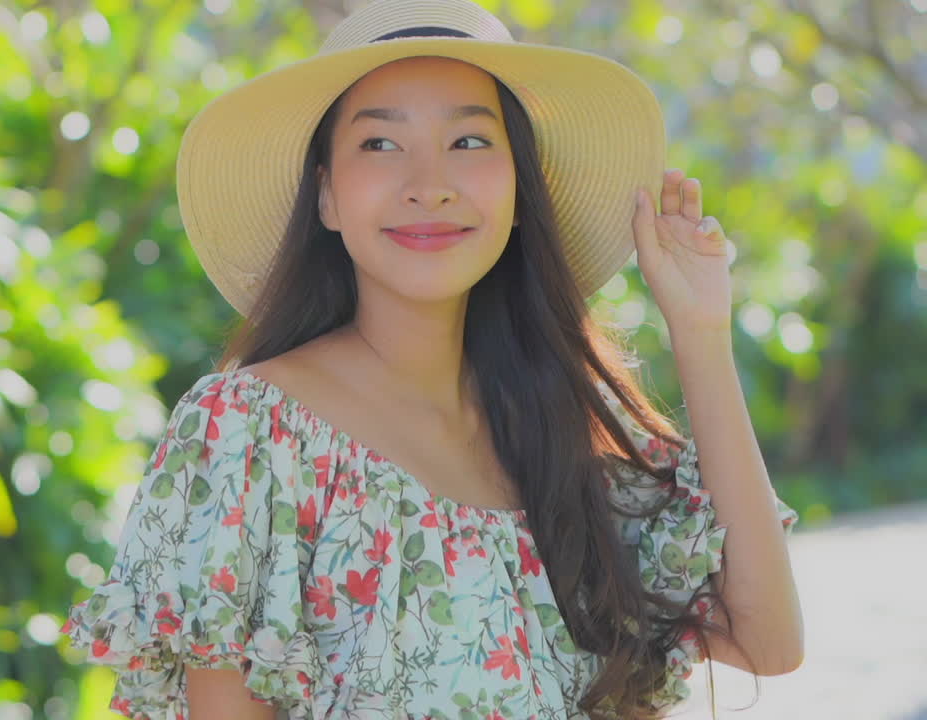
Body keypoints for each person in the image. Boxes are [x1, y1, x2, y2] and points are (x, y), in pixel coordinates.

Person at [61, 0, 803, 717]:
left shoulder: (564, 435)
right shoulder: (248, 433)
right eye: (380, 143)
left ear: (518, 193)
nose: (429, 186)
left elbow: (767, 641)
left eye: (470, 142)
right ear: (325, 195)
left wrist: (701, 334)